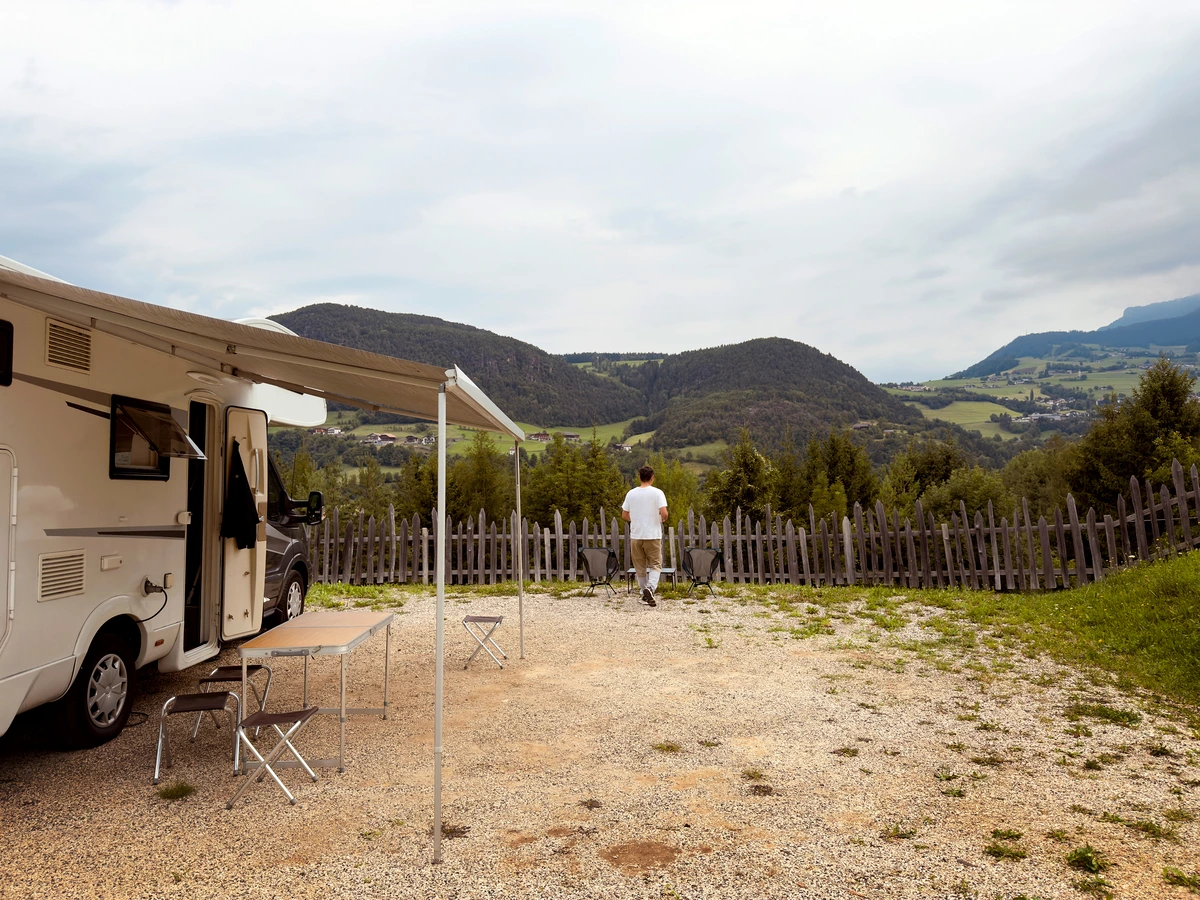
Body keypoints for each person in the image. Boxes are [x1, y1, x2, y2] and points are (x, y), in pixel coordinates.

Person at [622, 465, 668, 607]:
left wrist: (636, 520)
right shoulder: (657, 493)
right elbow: (664, 513)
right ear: (652, 477)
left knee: (639, 566)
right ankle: (650, 589)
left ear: (639, 477)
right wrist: (661, 519)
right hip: (652, 534)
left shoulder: (631, 494)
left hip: (636, 535)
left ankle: (644, 593)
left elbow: (624, 515)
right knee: (655, 564)